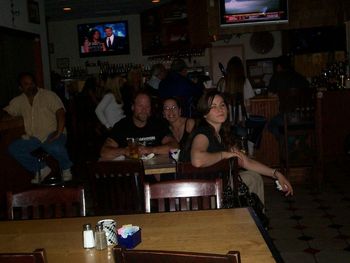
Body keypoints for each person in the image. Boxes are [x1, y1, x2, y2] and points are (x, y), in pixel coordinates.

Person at [181, 89, 293, 205]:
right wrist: (224, 155)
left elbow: (246, 162)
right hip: (198, 193)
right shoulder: (203, 133)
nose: (220, 109)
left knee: (253, 177)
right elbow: (197, 160)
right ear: (205, 113)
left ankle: (254, 220)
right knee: (252, 178)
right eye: (213, 106)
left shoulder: (223, 134)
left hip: (216, 186)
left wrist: (276, 174)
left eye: (222, 105)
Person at [2, 72, 73, 184]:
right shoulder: (19, 101)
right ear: (20, 88)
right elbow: (7, 111)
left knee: (53, 146)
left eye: (32, 83)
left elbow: (60, 112)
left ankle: (66, 168)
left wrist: (59, 132)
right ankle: (41, 168)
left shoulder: (48, 95)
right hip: (34, 138)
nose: (30, 86)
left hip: (52, 133)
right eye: (26, 84)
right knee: (14, 148)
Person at [100, 91, 178, 160]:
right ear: (133, 107)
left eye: (147, 106)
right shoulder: (122, 125)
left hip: (153, 171)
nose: (144, 110)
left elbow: (175, 147)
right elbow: (104, 152)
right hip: (130, 172)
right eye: (140, 106)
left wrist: (150, 150)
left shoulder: (157, 124)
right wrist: (125, 151)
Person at [267, 55, 310, 138]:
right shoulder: (301, 77)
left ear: (279, 66)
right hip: (305, 118)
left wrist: (278, 95)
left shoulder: (277, 77)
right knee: (288, 126)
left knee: (271, 125)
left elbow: (270, 95)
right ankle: (296, 141)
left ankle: (291, 141)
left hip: (287, 118)